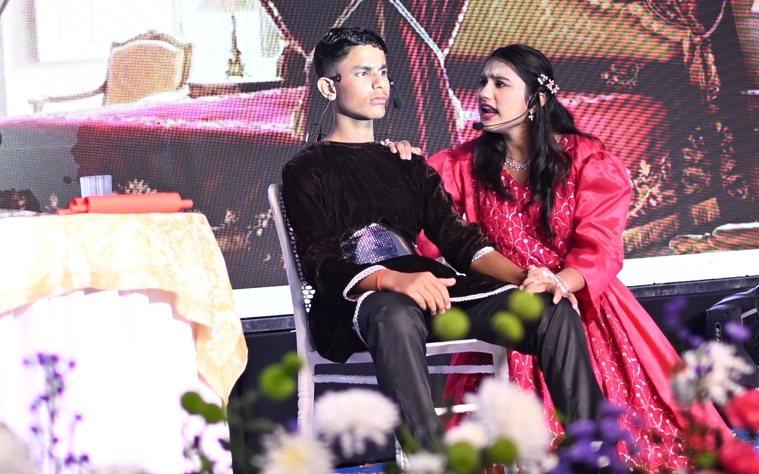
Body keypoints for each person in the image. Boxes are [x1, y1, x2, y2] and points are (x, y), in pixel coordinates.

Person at [280, 28, 605, 449]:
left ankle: (591, 449)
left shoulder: (408, 163)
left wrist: (528, 278)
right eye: (363, 73)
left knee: (551, 307)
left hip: (434, 294)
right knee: (394, 314)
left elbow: (461, 241)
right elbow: (319, 261)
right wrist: (391, 280)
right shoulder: (306, 169)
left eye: (383, 71)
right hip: (360, 305)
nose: (380, 83)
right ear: (329, 87)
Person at [427, 43, 710, 469]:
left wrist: (558, 282)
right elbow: (430, 231)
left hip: (581, 303)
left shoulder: (586, 160)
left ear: (537, 100)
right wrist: (400, 161)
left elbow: (601, 247)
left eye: (500, 83)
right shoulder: (460, 166)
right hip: (507, 309)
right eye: (483, 81)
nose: (484, 92)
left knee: (641, 445)